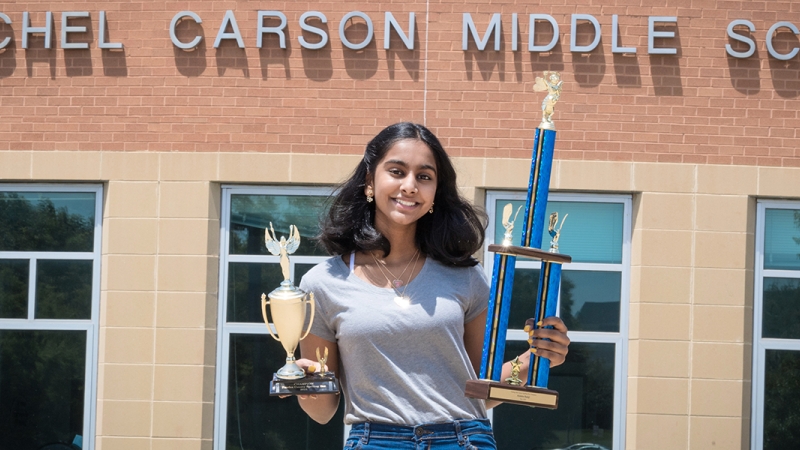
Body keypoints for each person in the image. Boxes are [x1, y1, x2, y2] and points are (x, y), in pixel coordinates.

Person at [295, 122, 570, 449]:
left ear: (436, 192)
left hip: (464, 439)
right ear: (370, 181)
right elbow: (322, 412)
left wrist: (538, 359)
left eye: (424, 177)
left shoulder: (465, 276)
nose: (410, 186)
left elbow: (480, 390)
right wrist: (306, 382)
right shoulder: (322, 283)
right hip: (374, 441)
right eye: (396, 171)